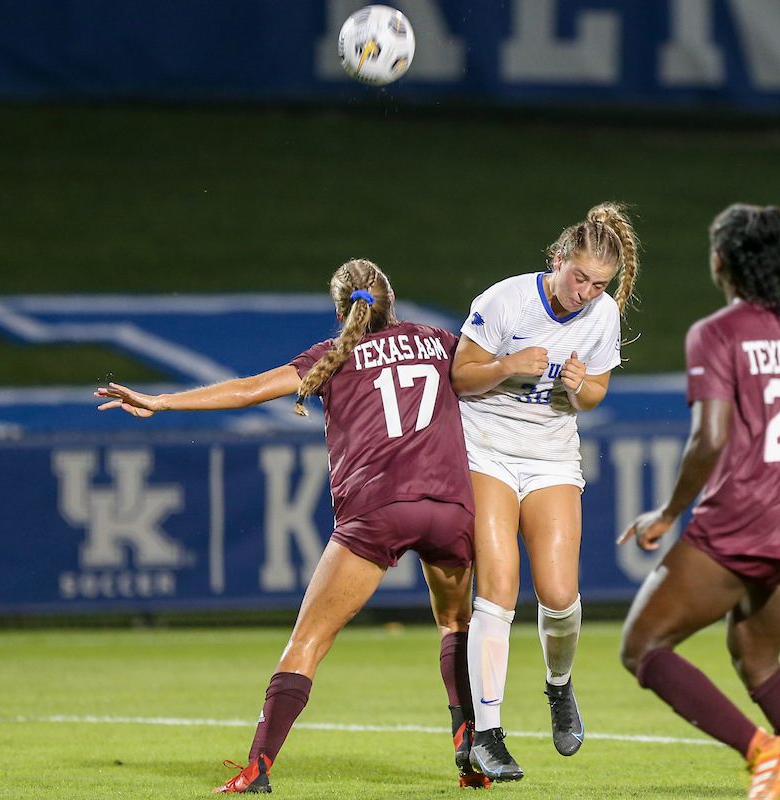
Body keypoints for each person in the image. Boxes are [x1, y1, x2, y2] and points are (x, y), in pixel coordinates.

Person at [95, 260, 490, 792]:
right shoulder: (439, 341)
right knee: (455, 625)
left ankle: (258, 768)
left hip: (378, 508)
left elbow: (246, 391)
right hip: (449, 506)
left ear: (341, 308)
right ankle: (467, 738)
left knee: (309, 642)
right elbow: (485, 376)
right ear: (394, 300)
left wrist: (161, 401)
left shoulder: (333, 356)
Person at [618, 204, 780, 800]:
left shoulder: (718, 332)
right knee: (759, 664)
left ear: (721, 262)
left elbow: (709, 438)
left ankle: (763, 751)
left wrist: (669, 514)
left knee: (643, 647)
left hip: (742, 520)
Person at [449, 202, 641, 781]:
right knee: (500, 586)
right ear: (557, 260)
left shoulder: (603, 314)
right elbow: (460, 376)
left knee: (559, 595)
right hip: (486, 448)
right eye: (578, 276)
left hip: (551, 455)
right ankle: (488, 734)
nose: (584, 292)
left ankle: (558, 688)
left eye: (598, 283)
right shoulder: (504, 300)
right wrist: (508, 365)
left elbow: (596, 393)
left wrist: (583, 389)